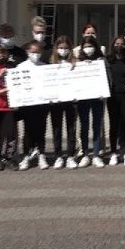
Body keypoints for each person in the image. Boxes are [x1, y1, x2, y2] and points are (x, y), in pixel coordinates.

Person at [15, 41, 49, 170]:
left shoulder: (45, 67)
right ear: (27, 52)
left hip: (41, 105)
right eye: (33, 52)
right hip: (27, 105)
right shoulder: (21, 67)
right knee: (28, 131)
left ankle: (41, 155)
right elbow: (17, 85)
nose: (35, 54)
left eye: (38, 52)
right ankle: (26, 156)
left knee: (41, 130)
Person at [76, 36, 107, 168]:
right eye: (86, 46)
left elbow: (108, 78)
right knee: (84, 126)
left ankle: (96, 155)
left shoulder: (101, 61)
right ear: (82, 48)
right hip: (83, 98)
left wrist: (104, 93)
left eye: (91, 46)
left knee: (97, 126)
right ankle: (84, 155)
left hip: (97, 97)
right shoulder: (78, 62)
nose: (88, 49)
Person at [49, 36, 79, 169]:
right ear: (56, 49)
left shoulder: (75, 63)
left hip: (71, 101)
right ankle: (58, 156)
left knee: (71, 129)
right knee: (56, 128)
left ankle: (71, 156)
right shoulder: (50, 63)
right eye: (60, 48)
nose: (63, 50)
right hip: (56, 100)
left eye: (66, 48)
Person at [106, 36, 125, 166]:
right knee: (114, 125)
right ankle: (113, 152)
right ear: (113, 45)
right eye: (117, 44)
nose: (119, 46)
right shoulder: (108, 60)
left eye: (122, 44)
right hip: (112, 96)